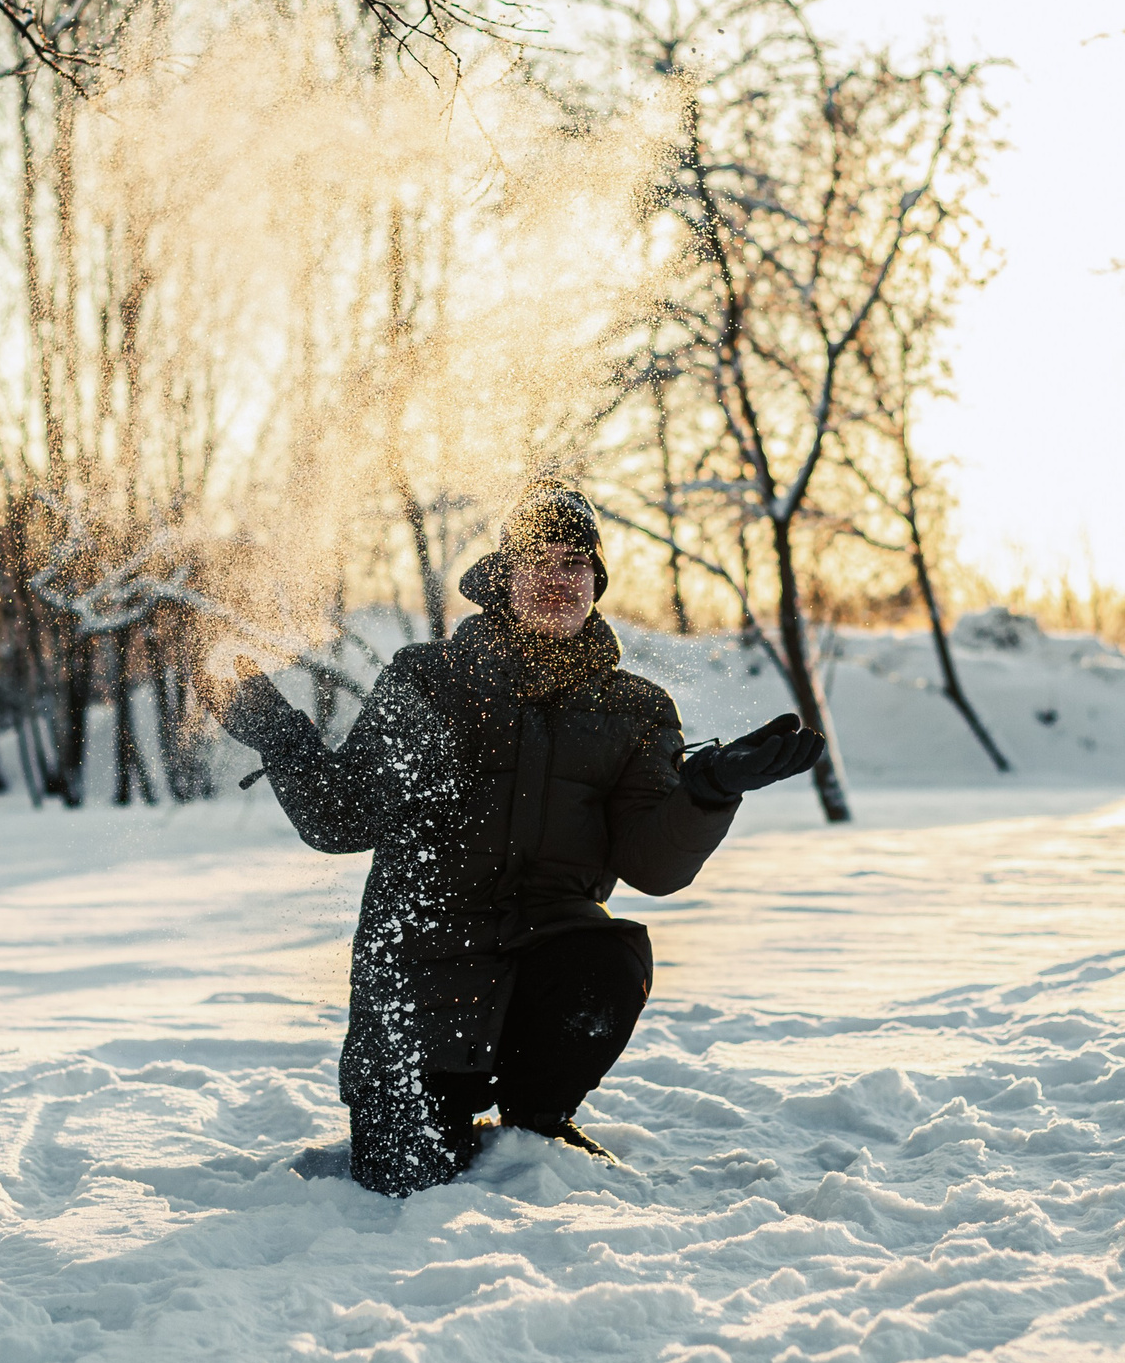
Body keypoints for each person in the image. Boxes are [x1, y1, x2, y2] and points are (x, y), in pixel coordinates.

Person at [204, 485, 827, 1196]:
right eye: (539, 562)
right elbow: (343, 817)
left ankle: (537, 1118)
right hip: (418, 981)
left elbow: (651, 863)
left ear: (597, 580)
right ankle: (427, 1112)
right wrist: (285, 738)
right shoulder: (430, 680)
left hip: (544, 960)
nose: (559, 580)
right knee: (403, 1185)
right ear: (504, 579)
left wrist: (709, 788)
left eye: (576, 563)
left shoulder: (633, 710)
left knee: (609, 963)